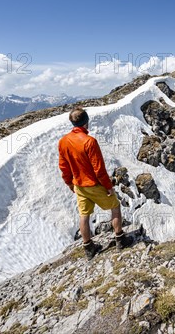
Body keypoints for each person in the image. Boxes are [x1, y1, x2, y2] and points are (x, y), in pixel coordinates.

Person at [58, 107, 133, 259]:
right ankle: (120, 239)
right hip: (94, 184)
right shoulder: (89, 142)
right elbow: (99, 169)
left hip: (79, 185)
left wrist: (70, 184)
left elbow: (63, 166)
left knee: (84, 215)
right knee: (115, 206)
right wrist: (108, 187)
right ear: (86, 122)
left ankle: (88, 248)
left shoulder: (63, 141)